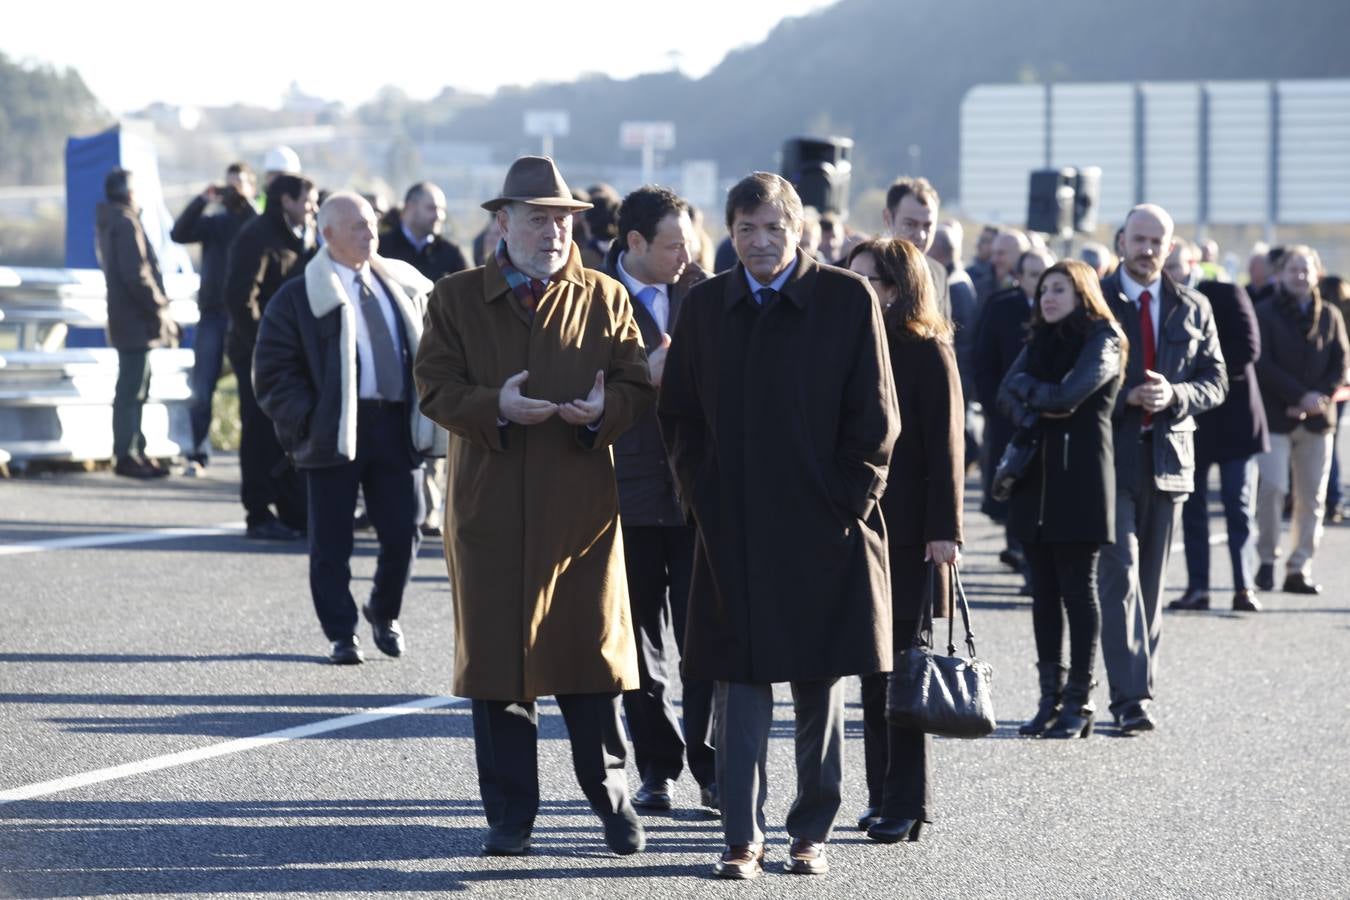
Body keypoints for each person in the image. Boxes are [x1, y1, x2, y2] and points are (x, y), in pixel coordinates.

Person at [659, 172, 899, 880]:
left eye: (773, 229)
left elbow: (877, 417)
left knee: (819, 684)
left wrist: (846, 502)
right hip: (732, 528)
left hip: (824, 527)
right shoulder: (704, 305)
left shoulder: (846, 298)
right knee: (737, 685)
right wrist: (702, 499)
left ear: (800, 231)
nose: (760, 243)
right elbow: (680, 418)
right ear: (729, 235)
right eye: (746, 230)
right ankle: (741, 835)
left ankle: (810, 830)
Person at [414, 156, 654, 858]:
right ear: (503, 221)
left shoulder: (606, 296)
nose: (553, 231)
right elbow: (433, 388)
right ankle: (510, 818)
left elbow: (639, 388)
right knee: (500, 675)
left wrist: (602, 412)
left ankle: (613, 803)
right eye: (538, 217)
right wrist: (498, 407)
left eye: (562, 219)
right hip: (490, 511)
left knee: (591, 668)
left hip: (580, 511)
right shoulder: (455, 298)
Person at [254, 192, 441, 668]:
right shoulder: (299, 295)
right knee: (331, 542)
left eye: (372, 224)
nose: (370, 234)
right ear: (328, 234)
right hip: (335, 429)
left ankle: (383, 610)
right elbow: (273, 370)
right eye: (357, 226)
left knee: (405, 530)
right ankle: (341, 633)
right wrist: (309, 419)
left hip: (395, 425)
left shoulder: (399, 283)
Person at [600, 185, 716, 814]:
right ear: (635, 243)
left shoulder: (705, 292)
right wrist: (641, 373)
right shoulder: (593, 298)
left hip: (701, 494)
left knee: (708, 640)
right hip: (629, 492)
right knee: (638, 646)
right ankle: (658, 767)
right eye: (672, 246)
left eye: (689, 244)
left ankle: (713, 766)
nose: (684, 256)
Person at [846, 237, 962, 842]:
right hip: (864, 528)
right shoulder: (857, 344)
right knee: (873, 668)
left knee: (904, 672)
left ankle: (907, 802)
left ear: (896, 288)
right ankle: (878, 793)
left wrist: (946, 532)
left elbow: (947, 450)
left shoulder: (927, 349)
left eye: (869, 280)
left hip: (914, 535)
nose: (857, 287)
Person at [1098, 203, 1227, 734]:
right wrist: (1121, 395)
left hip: (1169, 460)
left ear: (1170, 248)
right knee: (1119, 577)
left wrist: (1175, 393)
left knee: (1150, 586)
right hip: (1111, 459)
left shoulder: (1193, 307)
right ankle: (1130, 698)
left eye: (1157, 241)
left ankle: (1138, 686)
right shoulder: (1097, 300)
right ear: (1121, 241)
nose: (1147, 249)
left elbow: (1216, 381)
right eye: (1139, 239)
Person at [998, 260, 1126, 739]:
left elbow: (1068, 396)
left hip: (1081, 482)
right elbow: (1002, 395)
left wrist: (1033, 393)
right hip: (1035, 481)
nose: (1047, 297)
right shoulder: (1037, 340)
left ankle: (1080, 700)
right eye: (1044, 289)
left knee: (1078, 590)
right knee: (1043, 594)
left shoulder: (1104, 337)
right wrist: (1036, 395)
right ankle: (1047, 699)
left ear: (1083, 293)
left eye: (1060, 289)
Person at [1166, 242, 1268, 613]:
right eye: (1168, 267)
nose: (1172, 273)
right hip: (1189, 420)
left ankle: (1244, 586)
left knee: (1237, 506)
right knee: (1191, 510)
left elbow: (1249, 349)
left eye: (1177, 266)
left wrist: (1199, 372)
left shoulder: (1225, 293)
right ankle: (1198, 589)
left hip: (1234, 417)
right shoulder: (1160, 301)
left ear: (1193, 264)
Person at [223, 174, 317, 540]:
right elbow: (239, 298)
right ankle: (258, 513)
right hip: (257, 352)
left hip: (288, 353)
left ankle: (292, 512)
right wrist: (267, 344)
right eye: (306, 200)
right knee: (260, 432)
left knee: (288, 430)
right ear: (286, 201)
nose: (312, 207)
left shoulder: (299, 237)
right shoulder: (256, 236)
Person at [1252, 246, 1348, 595]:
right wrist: (1296, 397)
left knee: (1312, 497)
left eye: (1306, 269)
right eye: (1294, 269)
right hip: (1277, 417)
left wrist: (1317, 398)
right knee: (1273, 489)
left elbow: (1340, 362)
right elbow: (1261, 364)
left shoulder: (1330, 316)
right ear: (1281, 273)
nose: (1300, 276)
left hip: (1318, 420)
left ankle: (1299, 567)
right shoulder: (1264, 312)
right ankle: (1265, 559)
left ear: (1317, 274)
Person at [170, 162, 258, 474]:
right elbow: (178, 233)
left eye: (239, 185)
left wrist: (245, 204)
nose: (232, 192)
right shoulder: (215, 223)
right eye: (228, 185)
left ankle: (255, 452)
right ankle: (197, 451)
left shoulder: (254, 222)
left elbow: (262, 232)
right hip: (212, 315)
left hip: (245, 317)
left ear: (252, 188)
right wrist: (201, 200)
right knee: (202, 388)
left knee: (252, 388)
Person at [95, 167, 180, 479]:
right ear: (130, 193)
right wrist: (158, 303)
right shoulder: (126, 222)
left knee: (132, 388)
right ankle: (129, 454)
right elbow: (137, 274)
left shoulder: (108, 221)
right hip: (135, 320)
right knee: (134, 389)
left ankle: (134, 451)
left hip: (124, 317)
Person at [974, 249, 1053, 585]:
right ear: (1019, 276)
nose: (1040, 282)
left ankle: (1032, 564)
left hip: (1048, 417)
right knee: (1014, 487)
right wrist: (998, 409)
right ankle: (1021, 556)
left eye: (1046, 274)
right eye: (1033, 274)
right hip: (1009, 416)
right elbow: (983, 361)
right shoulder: (1002, 306)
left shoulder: (1061, 309)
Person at [881, 176, 952, 320]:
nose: (921, 235)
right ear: (888, 218)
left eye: (927, 226)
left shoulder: (939, 273)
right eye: (909, 224)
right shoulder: (864, 267)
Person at [377, 181, 469, 283]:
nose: (439, 216)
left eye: (442, 210)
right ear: (410, 207)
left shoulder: (451, 254)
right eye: (431, 208)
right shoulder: (380, 247)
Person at [1320, 275, 1350, 522]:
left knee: (1326, 439)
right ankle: (1335, 500)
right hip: (1341, 387)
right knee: (1329, 439)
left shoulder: (1327, 314)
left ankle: (1333, 499)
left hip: (1331, 386)